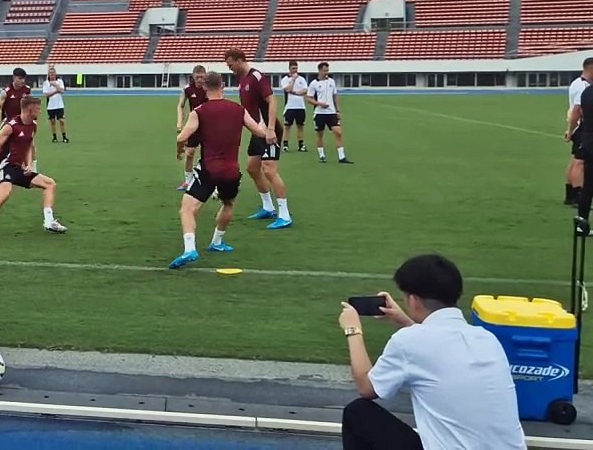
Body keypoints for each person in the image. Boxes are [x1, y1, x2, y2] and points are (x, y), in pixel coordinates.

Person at [337, 254, 526, 450]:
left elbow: (366, 387)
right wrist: (406, 322)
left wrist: (353, 329)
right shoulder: (487, 339)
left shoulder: (408, 341)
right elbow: (438, 347)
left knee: (357, 413)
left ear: (414, 301)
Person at [169, 72, 270, 269]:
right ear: (223, 85)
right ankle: (217, 242)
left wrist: (180, 150)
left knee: (187, 208)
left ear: (204, 87)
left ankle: (189, 249)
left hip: (209, 169)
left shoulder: (199, 111)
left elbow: (182, 137)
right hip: (231, 170)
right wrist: (268, 125)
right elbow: (259, 132)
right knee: (228, 203)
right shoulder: (238, 110)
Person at [0, 96, 66, 242]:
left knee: (50, 184)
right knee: (4, 194)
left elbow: (29, 145)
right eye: (38, 108)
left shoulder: (33, 125)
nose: (40, 111)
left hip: (19, 167)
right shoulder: (11, 126)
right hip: (6, 166)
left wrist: (29, 164)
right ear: (30, 109)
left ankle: (49, 222)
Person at [224, 49, 292, 229]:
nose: (230, 68)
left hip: (269, 131)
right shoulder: (242, 79)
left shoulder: (256, 77)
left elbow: (272, 100)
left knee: (269, 170)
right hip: (258, 131)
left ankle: (285, 215)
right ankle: (268, 207)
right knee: (252, 168)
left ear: (240, 60)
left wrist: (270, 129)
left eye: (231, 65)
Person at [307, 62, 353, 164]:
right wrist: (319, 104)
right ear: (319, 70)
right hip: (319, 113)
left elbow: (335, 96)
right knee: (320, 134)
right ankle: (322, 155)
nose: (326, 72)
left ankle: (342, 157)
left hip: (331, 113)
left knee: (338, 132)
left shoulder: (332, 82)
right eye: (325, 70)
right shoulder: (314, 83)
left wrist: (338, 110)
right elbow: (309, 99)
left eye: (327, 70)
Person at [176, 65, 208, 191]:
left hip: (208, 125)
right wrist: (180, 122)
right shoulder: (188, 89)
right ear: (193, 77)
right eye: (197, 77)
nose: (200, 80)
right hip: (194, 125)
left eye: (202, 77)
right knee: (189, 153)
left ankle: (210, 179)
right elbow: (180, 105)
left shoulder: (209, 88)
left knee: (209, 154)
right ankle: (188, 181)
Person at [566, 58, 593, 206]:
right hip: (582, 127)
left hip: (579, 127)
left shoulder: (577, 82)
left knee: (575, 159)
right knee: (580, 162)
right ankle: (578, 196)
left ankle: (570, 194)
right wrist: (570, 130)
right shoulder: (583, 86)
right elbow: (577, 110)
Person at [279, 61, 309, 152]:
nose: (295, 70)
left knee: (300, 126)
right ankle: (285, 145)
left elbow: (305, 90)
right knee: (287, 126)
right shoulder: (285, 79)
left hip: (300, 106)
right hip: (289, 107)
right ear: (289, 69)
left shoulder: (302, 79)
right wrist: (293, 80)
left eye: (296, 68)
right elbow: (288, 89)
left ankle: (301, 145)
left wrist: (296, 92)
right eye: (293, 68)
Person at [41, 66, 68, 143]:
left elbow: (62, 91)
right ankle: (54, 137)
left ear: (55, 74)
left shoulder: (59, 81)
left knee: (62, 121)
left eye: (53, 73)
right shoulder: (46, 83)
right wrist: (56, 91)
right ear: (48, 74)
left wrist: (55, 85)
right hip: (50, 106)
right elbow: (47, 94)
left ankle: (64, 137)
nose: (52, 74)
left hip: (59, 105)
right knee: (52, 121)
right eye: (50, 73)